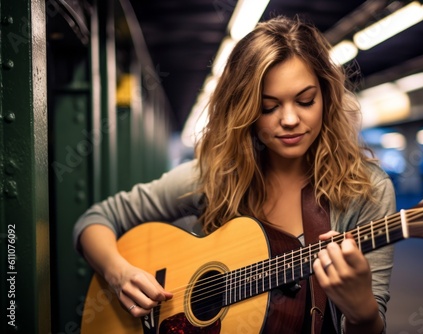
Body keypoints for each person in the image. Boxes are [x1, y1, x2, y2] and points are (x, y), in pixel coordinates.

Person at [74, 15, 395, 334]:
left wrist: (362, 311)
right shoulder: (215, 176)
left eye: (305, 101)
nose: (289, 119)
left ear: (326, 97)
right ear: (245, 109)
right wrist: (120, 274)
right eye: (268, 106)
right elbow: (96, 219)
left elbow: (369, 325)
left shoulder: (366, 190)